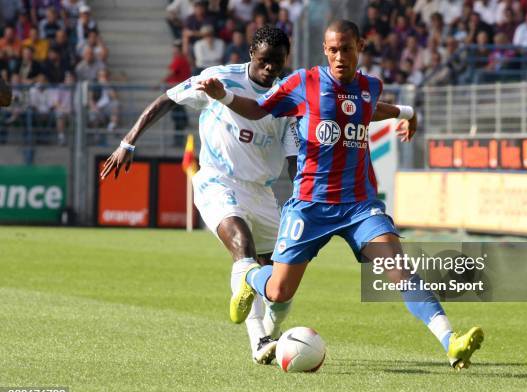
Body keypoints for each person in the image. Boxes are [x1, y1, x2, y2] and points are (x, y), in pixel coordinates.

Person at [100, 25, 406, 365]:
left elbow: (295, 159)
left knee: (278, 284)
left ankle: (272, 330)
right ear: (251, 56)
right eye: (264, 62)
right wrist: (128, 142)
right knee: (241, 246)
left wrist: (309, 207)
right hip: (217, 180)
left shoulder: (291, 94)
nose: (270, 69)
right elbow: (167, 100)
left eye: (277, 62)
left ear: (286, 58)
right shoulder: (220, 79)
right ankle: (259, 339)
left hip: (260, 192)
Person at [199, 20, 484, 370]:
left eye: (346, 49)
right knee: (277, 292)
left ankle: (451, 341)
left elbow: (370, 107)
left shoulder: (369, 86)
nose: (339, 56)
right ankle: (248, 277)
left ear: (360, 47)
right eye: (333, 50)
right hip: (309, 206)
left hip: (359, 205)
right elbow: (260, 108)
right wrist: (223, 96)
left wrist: (406, 113)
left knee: (397, 266)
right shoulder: (304, 82)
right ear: (325, 50)